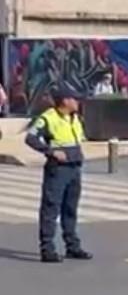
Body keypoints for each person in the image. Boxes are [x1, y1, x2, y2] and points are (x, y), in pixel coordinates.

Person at [25, 86, 92, 263]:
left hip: (74, 167)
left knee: (70, 209)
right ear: (65, 101)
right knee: (51, 208)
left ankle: (72, 246)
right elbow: (30, 138)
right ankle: (47, 249)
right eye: (74, 99)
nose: (77, 102)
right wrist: (50, 151)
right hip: (58, 169)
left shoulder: (74, 117)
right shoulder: (48, 118)